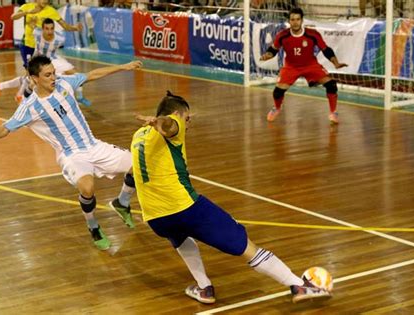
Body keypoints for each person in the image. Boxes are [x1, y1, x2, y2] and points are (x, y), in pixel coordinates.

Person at [131, 91, 332, 304]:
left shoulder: (138, 136)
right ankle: (298, 285)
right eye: (187, 118)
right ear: (176, 114)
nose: (188, 124)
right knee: (247, 247)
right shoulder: (172, 124)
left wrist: (156, 122)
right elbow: (170, 127)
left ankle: (204, 288)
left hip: (155, 218)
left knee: (181, 239)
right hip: (186, 208)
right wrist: (163, 122)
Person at [0, 56, 143, 251]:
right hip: (72, 156)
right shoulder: (30, 107)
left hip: (94, 145)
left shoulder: (65, 82)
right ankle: (93, 227)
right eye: (48, 75)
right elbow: (6, 127)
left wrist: (123, 66)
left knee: (138, 165)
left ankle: (122, 202)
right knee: (87, 189)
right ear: (34, 78)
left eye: (53, 72)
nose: (54, 77)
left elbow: (92, 75)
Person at [260, 7, 347, 124]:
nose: (295, 22)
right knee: (277, 92)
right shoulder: (282, 35)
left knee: (331, 85)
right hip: (291, 67)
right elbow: (273, 50)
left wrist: (335, 63)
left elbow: (326, 49)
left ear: (302, 20)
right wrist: (267, 55)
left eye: (297, 19)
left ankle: (333, 113)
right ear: (289, 21)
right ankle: (277, 108)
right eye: (292, 20)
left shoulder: (313, 34)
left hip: (310, 65)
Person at [0, 0, 82, 104]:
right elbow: (13, 17)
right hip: (28, 45)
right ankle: (19, 95)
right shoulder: (28, 6)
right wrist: (28, 12)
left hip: (40, 49)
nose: (45, 1)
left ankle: (0, 86)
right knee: (31, 75)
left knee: (31, 76)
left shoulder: (51, 11)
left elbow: (64, 25)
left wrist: (75, 28)